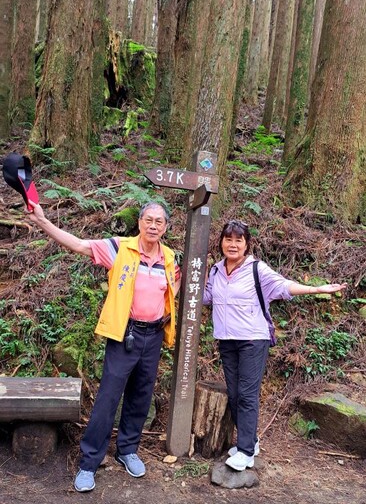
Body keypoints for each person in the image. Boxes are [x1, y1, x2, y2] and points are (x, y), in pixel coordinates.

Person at [27, 200, 181, 492]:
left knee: (140, 396)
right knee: (108, 398)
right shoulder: (120, 247)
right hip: (125, 334)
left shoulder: (170, 257)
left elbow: (176, 289)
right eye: (148, 219)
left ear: (166, 227)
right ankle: (89, 462)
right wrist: (43, 221)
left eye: (159, 221)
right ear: (139, 222)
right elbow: (79, 245)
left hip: (154, 335)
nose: (152, 225)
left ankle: (127, 450)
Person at [203, 220, 347, 472]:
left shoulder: (257, 269)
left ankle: (246, 451)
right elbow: (205, 297)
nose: (233, 244)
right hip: (226, 340)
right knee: (234, 394)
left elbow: (284, 286)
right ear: (221, 242)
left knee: (247, 394)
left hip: (252, 340)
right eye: (228, 239)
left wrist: (316, 288)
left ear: (247, 244)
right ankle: (252, 441)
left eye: (238, 240)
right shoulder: (215, 270)